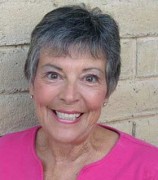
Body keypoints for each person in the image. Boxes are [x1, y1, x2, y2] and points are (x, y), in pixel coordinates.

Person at [0, 4, 158, 180]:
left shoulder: (149, 169)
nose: (69, 96)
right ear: (31, 81)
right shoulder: (3, 154)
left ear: (107, 90)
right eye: (53, 75)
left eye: (89, 78)